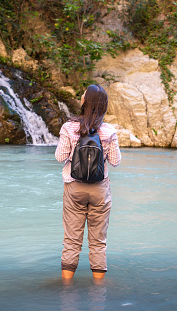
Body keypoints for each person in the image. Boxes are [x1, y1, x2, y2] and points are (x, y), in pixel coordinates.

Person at [55, 84, 122, 282]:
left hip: (74, 187)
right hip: (100, 190)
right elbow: (116, 162)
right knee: (98, 242)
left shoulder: (69, 127)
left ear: (85, 102)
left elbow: (60, 157)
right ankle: (98, 292)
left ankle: (66, 290)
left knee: (71, 241)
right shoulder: (109, 131)